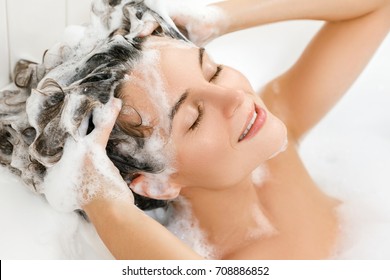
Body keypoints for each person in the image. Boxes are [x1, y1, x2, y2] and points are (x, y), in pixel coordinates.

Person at [2, 0, 390, 259]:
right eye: (194, 118)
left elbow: (376, 7)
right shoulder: (196, 261)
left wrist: (218, 14)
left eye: (213, 70)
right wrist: (103, 203)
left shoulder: (274, 133)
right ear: (156, 183)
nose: (234, 98)